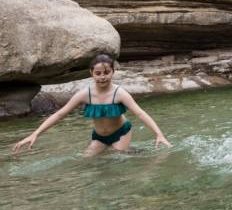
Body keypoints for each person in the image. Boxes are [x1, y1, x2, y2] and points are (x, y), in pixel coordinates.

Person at [13, 54, 172, 156]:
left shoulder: (120, 93)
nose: (102, 77)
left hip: (121, 132)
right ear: (91, 73)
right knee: (86, 160)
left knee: (119, 158)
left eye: (106, 72)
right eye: (98, 73)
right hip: (99, 137)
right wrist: (36, 133)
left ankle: (135, 153)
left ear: (112, 72)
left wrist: (159, 134)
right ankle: (133, 150)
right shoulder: (85, 94)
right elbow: (60, 114)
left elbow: (140, 113)